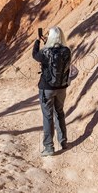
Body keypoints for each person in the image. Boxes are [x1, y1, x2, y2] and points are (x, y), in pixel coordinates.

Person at [32, 26, 71, 157]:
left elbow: (35, 55)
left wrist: (37, 41)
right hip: (62, 88)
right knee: (59, 113)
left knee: (48, 116)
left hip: (47, 89)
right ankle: (63, 141)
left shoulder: (45, 52)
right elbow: (57, 56)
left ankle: (49, 147)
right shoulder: (67, 51)